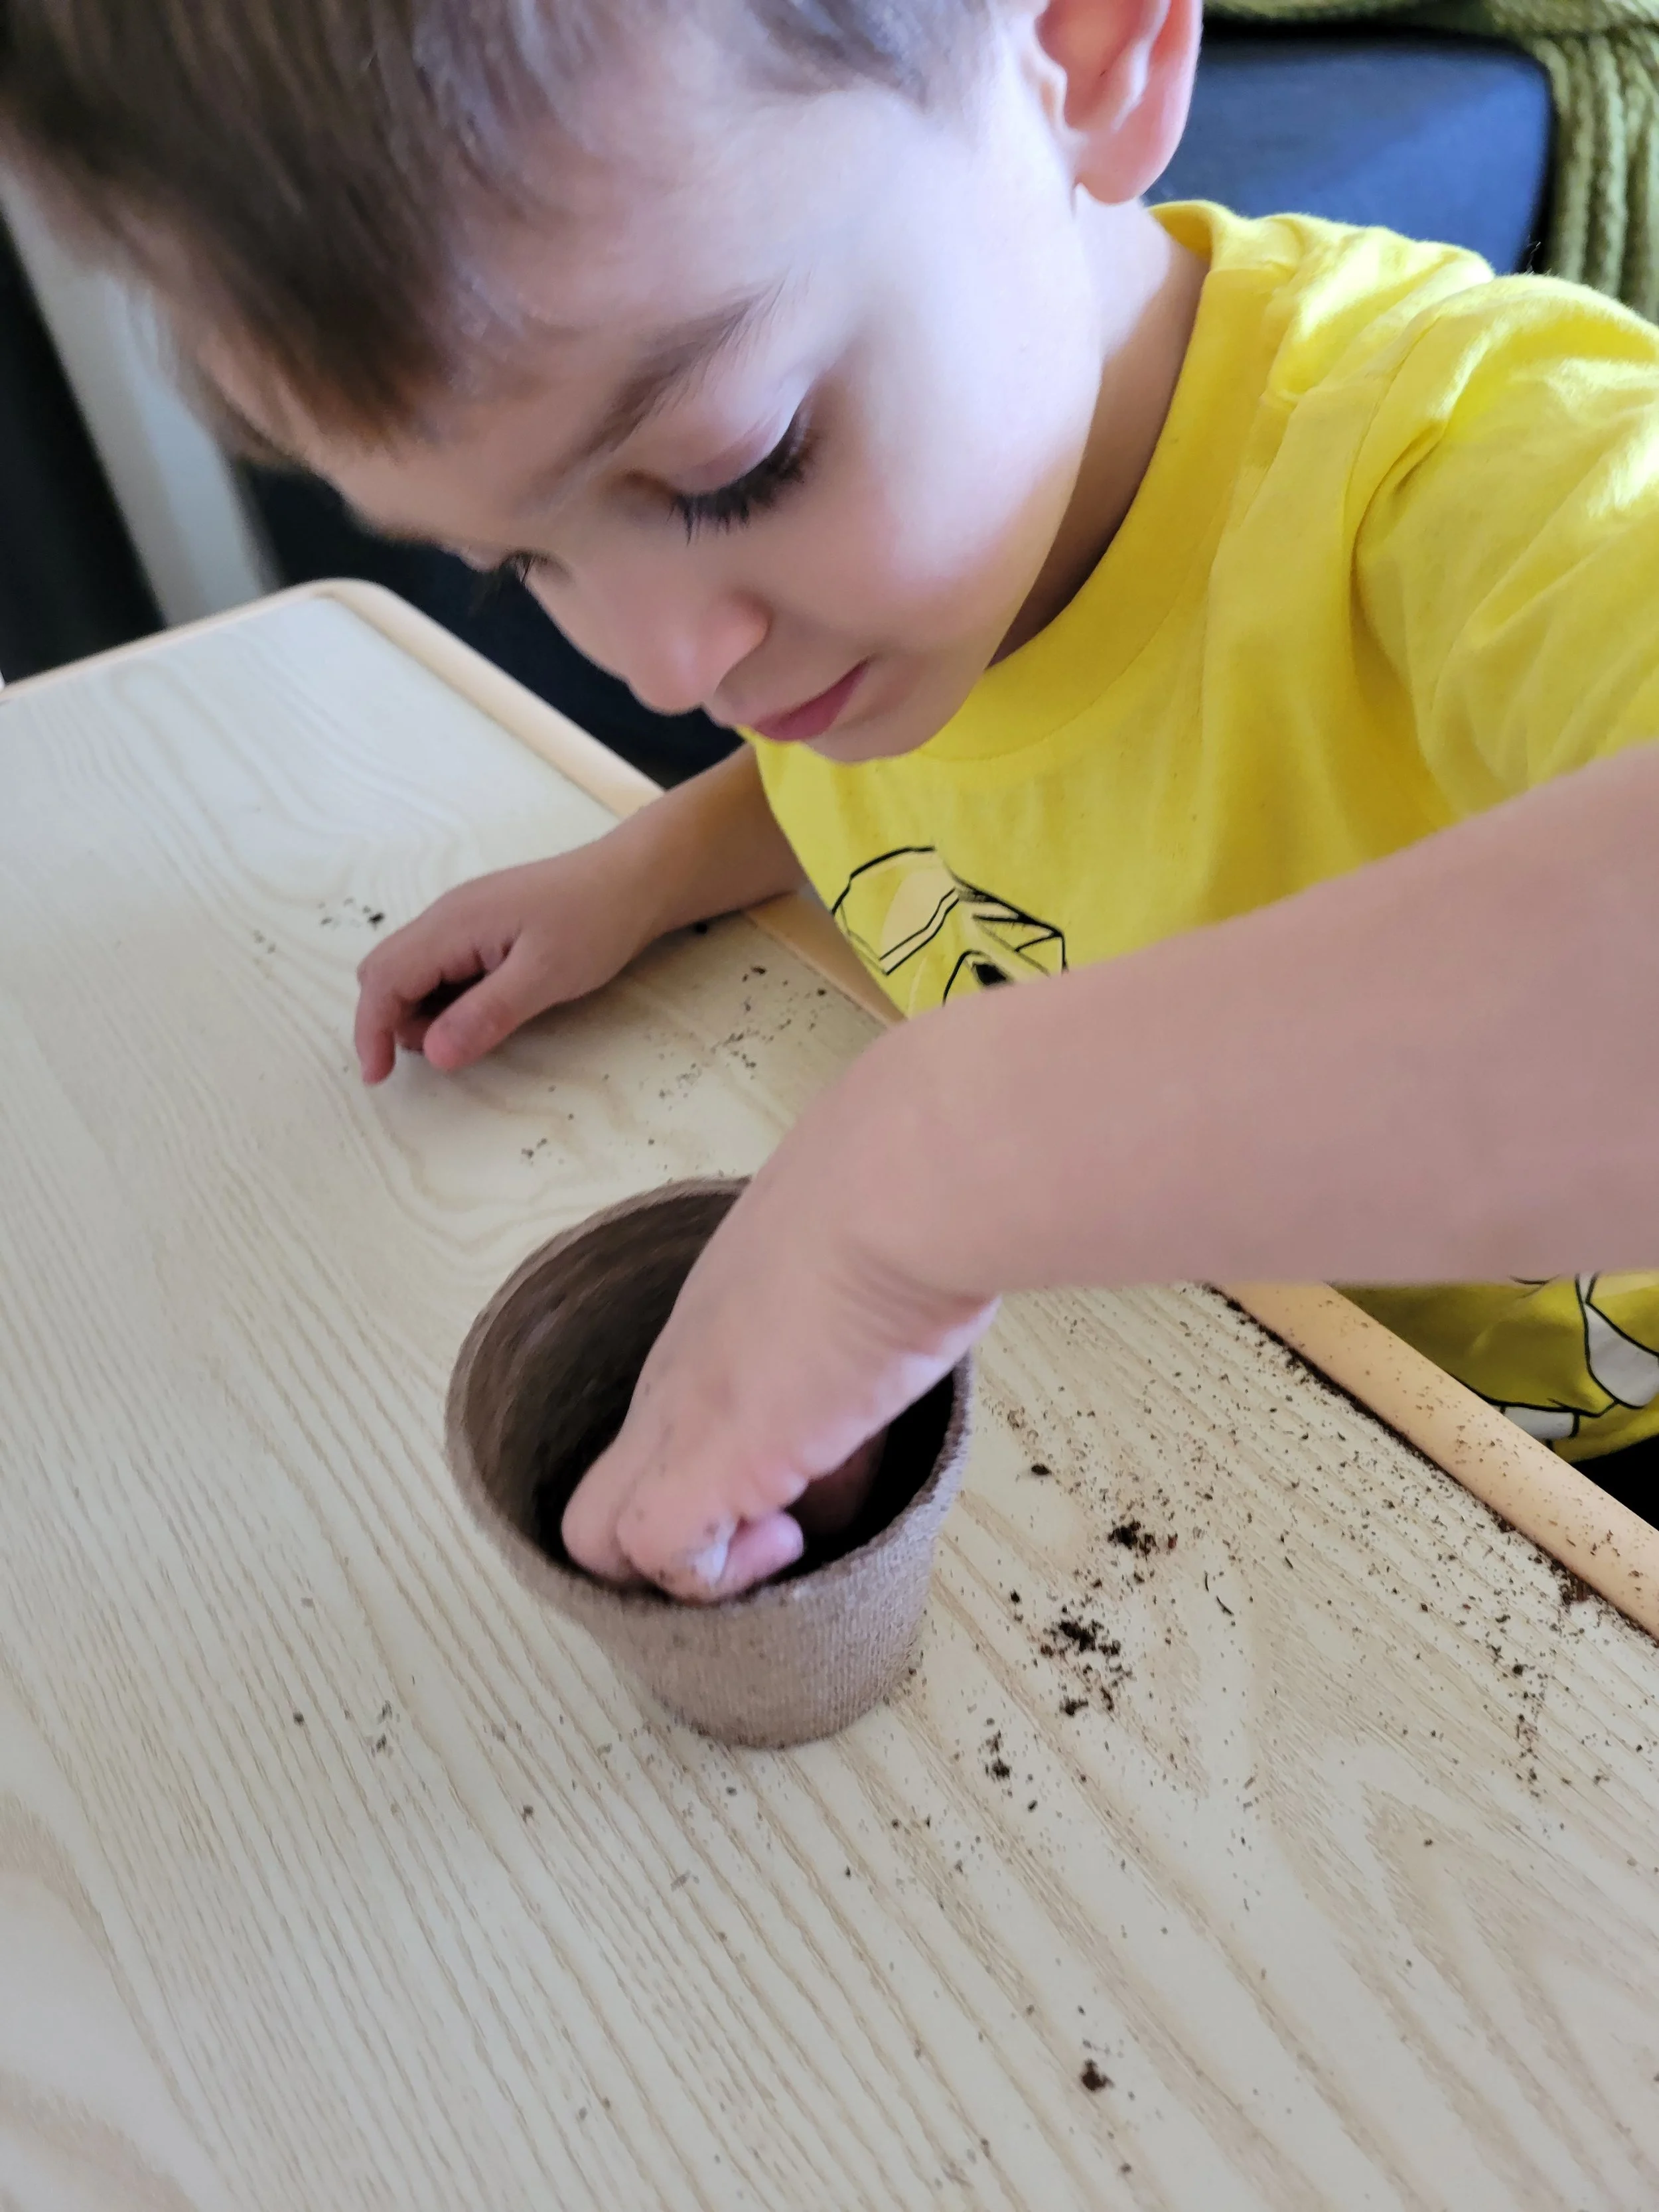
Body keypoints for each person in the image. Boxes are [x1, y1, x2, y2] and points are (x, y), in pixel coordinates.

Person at [9, 0, 1659, 1601]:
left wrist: (933, 1168)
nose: (661, 668)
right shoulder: (896, 603)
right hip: (1238, 1436)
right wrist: (652, 864)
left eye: (739, 464)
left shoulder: (1465, 468)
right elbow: (982, 772)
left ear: (1079, 51)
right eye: (522, 557)